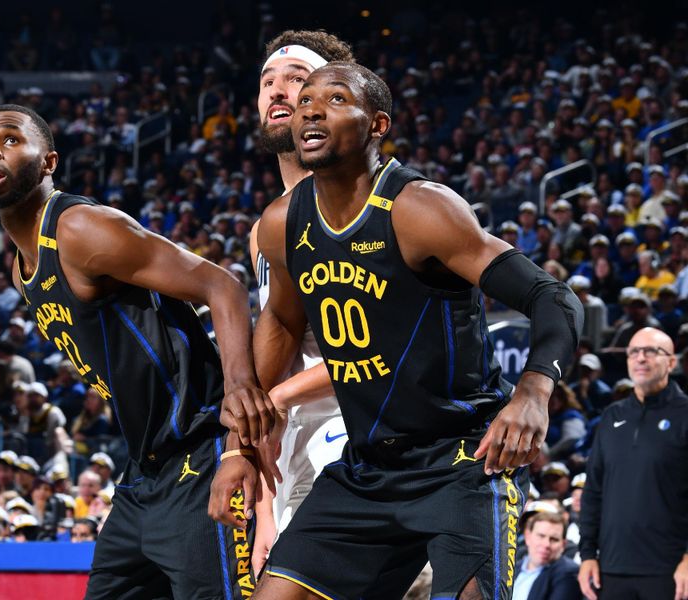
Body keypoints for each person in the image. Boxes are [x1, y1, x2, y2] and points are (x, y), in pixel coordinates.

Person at [228, 62, 582, 600]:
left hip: (462, 457)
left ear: (377, 125)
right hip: (368, 466)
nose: (311, 110)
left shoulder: (419, 208)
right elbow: (280, 317)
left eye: (336, 98)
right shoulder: (283, 222)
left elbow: (552, 296)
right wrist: (241, 445)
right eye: (304, 103)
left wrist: (533, 390)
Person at [0, 104, 272, 599]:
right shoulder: (20, 270)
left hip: (197, 450)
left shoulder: (80, 229)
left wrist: (239, 389)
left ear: (48, 162)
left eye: (9, 140)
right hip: (144, 471)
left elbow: (223, 286)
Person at [250, 29, 355, 573]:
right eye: (268, 81)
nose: (278, 91)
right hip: (294, 452)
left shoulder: (357, 209)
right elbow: (274, 364)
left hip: (356, 438)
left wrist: (281, 395)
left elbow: (375, 350)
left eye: (296, 80)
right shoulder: (264, 228)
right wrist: (264, 512)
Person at [578, 327, 688, 600]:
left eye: (651, 351)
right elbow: (593, 491)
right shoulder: (611, 416)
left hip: (671, 570)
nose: (641, 358)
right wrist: (588, 554)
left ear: (671, 362)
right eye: (634, 352)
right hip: (611, 569)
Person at [512, 512, 580, 600]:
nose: (546, 544)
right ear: (528, 537)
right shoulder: (513, 567)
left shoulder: (568, 574)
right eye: (541, 536)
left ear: (563, 545)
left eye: (554, 539)